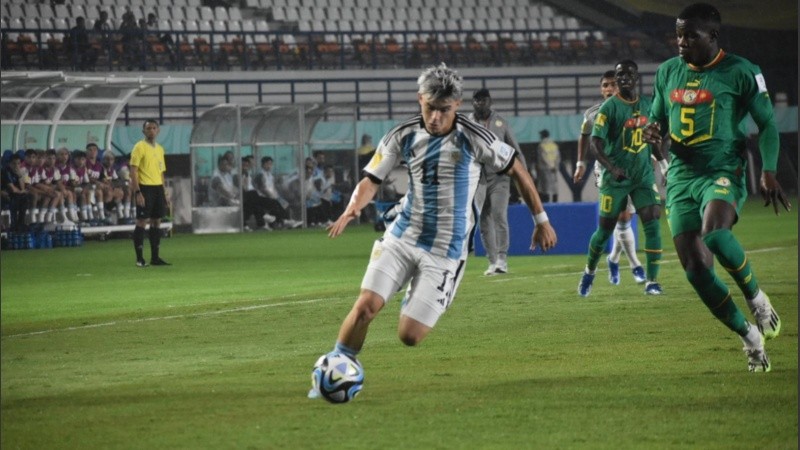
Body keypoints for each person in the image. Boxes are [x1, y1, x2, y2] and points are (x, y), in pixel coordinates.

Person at [309, 64, 557, 398]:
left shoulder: (475, 136)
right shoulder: (404, 134)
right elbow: (371, 178)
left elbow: (518, 171)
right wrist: (353, 207)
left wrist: (541, 221)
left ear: (457, 105)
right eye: (429, 108)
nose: (435, 117)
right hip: (403, 236)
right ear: (419, 99)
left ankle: (420, 293)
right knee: (366, 306)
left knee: (409, 336)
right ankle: (333, 370)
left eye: (443, 110)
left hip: (446, 250)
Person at [643, 3, 789, 372]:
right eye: (678, 34)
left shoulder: (741, 71)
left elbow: (768, 124)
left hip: (723, 169)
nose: (681, 42)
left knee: (715, 234)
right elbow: (657, 119)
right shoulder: (667, 72)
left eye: (690, 35)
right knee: (695, 270)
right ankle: (750, 339)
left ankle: (757, 300)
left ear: (713, 36)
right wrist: (652, 134)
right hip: (680, 176)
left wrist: (768, 170)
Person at [578, 60, 665, 298]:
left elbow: (654, 137)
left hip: (642, 176)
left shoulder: (649, 104)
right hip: (615, 178)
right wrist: (612, 168)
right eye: (619, 75)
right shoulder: (608, 109)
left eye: (628, 74)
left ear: (637, 77)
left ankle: (652, 281)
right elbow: (594, 144)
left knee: (652, 221)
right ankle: (589, 271)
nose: (623, 78)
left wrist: (665, 165)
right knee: (605, 230)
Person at [574, 70, 647, 286]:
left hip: (632, 167)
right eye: (605, 85)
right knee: (621, 217)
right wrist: (580, 163)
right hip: (606, 169)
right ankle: (635, 265)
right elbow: (585, 137)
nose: (609, 89)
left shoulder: (635, 109)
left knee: (622, 219)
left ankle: (614, 259)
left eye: (613, 85)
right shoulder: (592, 113)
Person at [468, 88, 524, 276]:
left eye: (483, 100)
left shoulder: (500, 122)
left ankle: (502, 259)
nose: (479, 103)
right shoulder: (467, 123)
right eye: (476, 100)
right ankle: (492, 262)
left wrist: (522, 176)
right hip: (478, 179)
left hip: (500, 176)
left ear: (490, 102)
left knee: (499, 214)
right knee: (483, 220)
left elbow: (514, 149)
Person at [130, 119, 171, 267]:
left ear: (158, 131)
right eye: (148, 128)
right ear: (143, 131)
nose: (151, 131)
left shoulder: (160, 149)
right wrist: (137, 192)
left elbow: (161, 172)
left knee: (156, 221)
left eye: (154, 128)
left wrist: (164, 192)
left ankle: (155, 257)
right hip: (145, 187)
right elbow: (133, 171)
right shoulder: (139, 147)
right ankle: (139, 259)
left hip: (157, 188)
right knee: (142, 221)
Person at [253, 156, 302, 229]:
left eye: (271, 164)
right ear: (263, 164)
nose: (270, 166)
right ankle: (283, 221)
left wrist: (277, 195)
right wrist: (272, 196)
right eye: (268, 164)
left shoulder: (270, 175)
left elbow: (273, 186)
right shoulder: (260, 174)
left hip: (273, 196)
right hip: (263, 197)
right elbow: (262, 188)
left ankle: (286, 221)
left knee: (286, 204)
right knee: (276, 204)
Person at [1, 154, 29, 232]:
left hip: (14, 195)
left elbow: (23, 187)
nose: (16, 165)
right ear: (9, 163)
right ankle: (14, 224)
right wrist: (21, 191)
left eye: (18, 163)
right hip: (5, 195)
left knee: (24, 198)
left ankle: (21, 223)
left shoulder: (21, 171)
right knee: (16, 198)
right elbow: (13, 189)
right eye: (14, 163)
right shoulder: (6, 172)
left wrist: (20, 176)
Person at [536, 129, 560, 202]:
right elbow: (558, 157)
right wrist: (554, 166)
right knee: (554, 187)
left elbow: (543, 157)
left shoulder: (541, 146)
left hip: (545, 169)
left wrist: (549, 166)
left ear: (543, 136)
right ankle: (555, 202)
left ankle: (546, 204)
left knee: (544, 187)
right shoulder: (554, 145)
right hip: (554, 169)